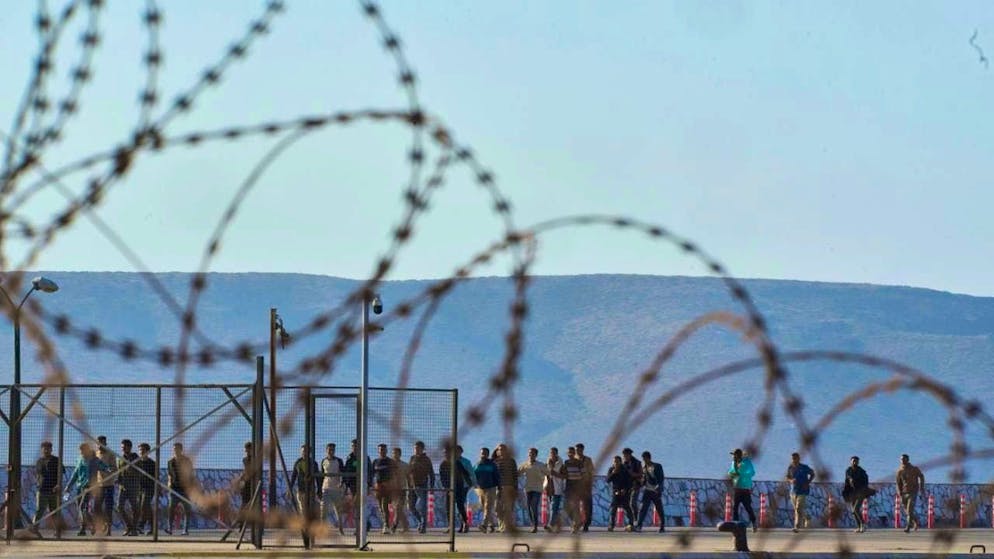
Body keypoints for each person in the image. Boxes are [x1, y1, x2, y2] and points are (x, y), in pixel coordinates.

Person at [66, 443, 108, 536]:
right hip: (79, 486)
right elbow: (75, 473)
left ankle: (92, 525)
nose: (81, 453)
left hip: (90, 486)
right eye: (80, 451)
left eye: (83, 451)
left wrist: (109, 470)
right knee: (81, 508)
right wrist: (68, 486)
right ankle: (84, 528)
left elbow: (104, 467)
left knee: (83, 507)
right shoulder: (79, 459)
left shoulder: (94, 460)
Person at [32, 441, 65, 537]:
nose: (46, 450)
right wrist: (38, 484)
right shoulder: (40, 461)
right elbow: (38, 474)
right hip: (42, 489)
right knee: (40, 510)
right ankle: (34, 528)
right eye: (44, 448)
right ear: (42, 450)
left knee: (54, 510)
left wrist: (58, 484)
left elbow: (61, 473)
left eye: (48, 448)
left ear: (51, 449)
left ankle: (57, 531)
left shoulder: (56, 460)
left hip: (54, 490)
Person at [290, 444, 321, 545]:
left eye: (306, 451)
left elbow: (317, 478)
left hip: (311, 492)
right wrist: (289, 489)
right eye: (303, 451)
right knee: (303, 513)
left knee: (311, 513)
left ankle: (312, 533)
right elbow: (294, 476)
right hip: (301, 491)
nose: (304, 453)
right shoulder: (298, 462)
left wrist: (319, 490)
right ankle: (305, 532)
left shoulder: (313, 463)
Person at [439, 444, 474, 533]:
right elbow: (442, 477)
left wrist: (470, 483)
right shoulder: (443, 464)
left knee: (460, 506)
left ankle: (465, 523)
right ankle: (451, 526)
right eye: (445, 453)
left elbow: (465, 473)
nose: (446, 454)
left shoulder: (457, 462)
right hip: (449, 488)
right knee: (448, 507)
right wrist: (446, 487)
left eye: (447, 453)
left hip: (459, 487)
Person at [518, 447, 549, 533]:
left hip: (537, 489)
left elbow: (548, 473)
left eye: (532, 453)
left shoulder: (540, 465)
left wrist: (547, 483)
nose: (530, 455)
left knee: (534, 506)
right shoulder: (525, 465)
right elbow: (518, 473)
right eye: (529, 453)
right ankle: (533, 524)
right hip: (528, 489)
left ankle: (535, 526)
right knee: (529, 507)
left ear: (536, 455)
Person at [166, 443, 194, 535]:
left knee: (187, 509)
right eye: (174, 449)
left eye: (177, 449)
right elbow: (169, 474)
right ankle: (170, 528)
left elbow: (190, 474)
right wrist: (169, 483)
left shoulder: (186, 461)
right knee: (171, 508)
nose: (175, 451)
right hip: (174, 489)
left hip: (185, 489)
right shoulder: (170, 462)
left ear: (181, 450)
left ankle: (185, 530)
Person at [409, 440, 435, 533]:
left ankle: (424, 525)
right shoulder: (412, 458)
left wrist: (431, 486)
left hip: (422, 486)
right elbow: (409, 472)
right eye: (415, 448)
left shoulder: (426, 459)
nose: (416, 450)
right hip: (412, 486)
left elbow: (431, 473)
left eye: (418, 448)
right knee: (411, 507)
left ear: (422, 449)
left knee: (422, 506)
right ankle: (420, 521)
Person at [728, 448, 757, 532]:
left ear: (738, 455)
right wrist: (731, 474)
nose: (733, 457)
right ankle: (735, 525)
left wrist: (742, 475)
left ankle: (754, 522)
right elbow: (730, 472)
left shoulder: (746, 462)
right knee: (735, 507)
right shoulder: (734, 463)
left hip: (745, 488)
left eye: (734, 455)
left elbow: (752, 472)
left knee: (747, 507)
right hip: (737, 488)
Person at [785, 452, 815, 533]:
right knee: (797, 509)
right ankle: (807, 517)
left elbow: (812, 474)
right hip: (793, 491)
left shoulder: (804, 467)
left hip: (803, 491)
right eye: (792, 458)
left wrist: (808, 482)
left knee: (798, 508)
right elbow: (787, 477)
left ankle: (796, 526)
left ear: (798, 458)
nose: (793, 460)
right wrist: (791, 480)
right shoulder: (790, 467)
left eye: (795, 458)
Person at [116, 439, 141, 536]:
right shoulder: (120, 458)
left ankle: (134, 528)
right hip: (123, 486)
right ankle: (129, 526)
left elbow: (139, 471)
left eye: (124, 447)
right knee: (119, 506)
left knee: (134, 507)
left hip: (133, 485)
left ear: (129, 447)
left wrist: (130, 468)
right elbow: (119, 471)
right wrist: (118, 479)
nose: (123, 449)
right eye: (122, 447)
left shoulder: (135, 457)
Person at [636, 450, 665, 533]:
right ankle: (639, 525)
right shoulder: (644, 468)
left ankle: (662, 526)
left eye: (645, 459)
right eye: (643, 459)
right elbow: (644, 479)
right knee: (643, 508)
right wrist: (640, 484)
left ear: (648, 458)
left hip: (656, 491)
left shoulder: (657, 466)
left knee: (659, 509)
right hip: (647, 491)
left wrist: (659, 487)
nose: (644, 461)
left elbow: (661, 478)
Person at [320, 443, 345, 535]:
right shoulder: (323, 461)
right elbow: (321, 475)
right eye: (329, 449)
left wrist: (341, 484)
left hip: (336, 489)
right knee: (323, 510)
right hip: (325, 488)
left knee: (338, 510)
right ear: (326, 450)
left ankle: (341, 529)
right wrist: (319, 489)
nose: (331, 451)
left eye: (333, 450)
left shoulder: (339, 461)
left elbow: (343, 474)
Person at [94, 435, 116, 536]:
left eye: (102, 443)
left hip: (108, 484)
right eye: (98, 443)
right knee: (97, 506)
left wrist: (107, 470)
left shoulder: (110, 454)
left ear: (105, 443)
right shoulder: (96, 454)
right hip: (99, 484)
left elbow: (114, 468)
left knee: (108, 507)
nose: (99, 445)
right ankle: (102, 523)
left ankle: (109, 527)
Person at [896, 454, 925, 533]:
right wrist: (899, 492)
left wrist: (921, 487)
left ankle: (908, 526)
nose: (902, 461)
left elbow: (921, 476)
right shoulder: (899, 471)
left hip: (913, 492)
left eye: (904, 459)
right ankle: (915, 521)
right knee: (907, 511)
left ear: (908, 460)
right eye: (901, 459)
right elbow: (898, 483)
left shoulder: (914, 469)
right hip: (904, 493)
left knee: (909, 510)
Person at [561, 446, 586, 534]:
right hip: (569, 486)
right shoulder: (566, 463)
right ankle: (576, 522)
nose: (570, 454)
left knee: (576, 506)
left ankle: (575, 525)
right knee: (566, 506)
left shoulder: (579, 463)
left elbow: (584, 475)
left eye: (572, 452)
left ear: (574, 453)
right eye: (569, 452)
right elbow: (564, 474)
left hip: (577, 486)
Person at [494, 443, 518, 532]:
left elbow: (515, 475)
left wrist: (515, 488)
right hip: (498, 487)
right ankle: (501, 525)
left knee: (507, 508)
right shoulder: (495, 462)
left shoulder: (511, 461)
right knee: (497, 508)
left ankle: (506, 526)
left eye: (503, 449)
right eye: (499, 450)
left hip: (509, 486)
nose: (501, 451)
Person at [843, 456, 871, 533]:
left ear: (858, 462)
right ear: (850, 461)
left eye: (856, 461)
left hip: (860, 493)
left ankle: (863, 524)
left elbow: (866, 482)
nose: (854, 462)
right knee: (853, 511)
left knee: (856, 509)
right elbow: (847, 481)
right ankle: (859, 527)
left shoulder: (862, 471)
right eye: (853, 461)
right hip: (852, 493)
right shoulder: (848, 470)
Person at [474, 447, 499, 533]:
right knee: (484, 507)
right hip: (480, 488)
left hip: (491, 488)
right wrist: (474, 485)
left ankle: (484, 525)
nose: (483, 454)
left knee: (488, 506)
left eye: (485, 453)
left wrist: (499, 486)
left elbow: (497, 476)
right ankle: (492, 525)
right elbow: (473, 476)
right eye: (482, 453)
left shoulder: (492, 464)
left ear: (488, 454)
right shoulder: (477, 465)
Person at [606, 456, 635, 531]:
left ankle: (630, 524)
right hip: (615, 492)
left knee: (627, 507)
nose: (615, 463)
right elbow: (607, 480)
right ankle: (611, 525)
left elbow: (629, 482)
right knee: (613, 508)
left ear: (620, 462)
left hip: (624, 492)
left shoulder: (625, 470)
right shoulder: (611, 469)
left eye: (617, 461)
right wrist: (612, 473)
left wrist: (625, 490)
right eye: (614, 461)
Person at [371, 444, 394, 534]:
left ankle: (386, 525)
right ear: (378, 451)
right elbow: (372, 474)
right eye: (380, 450)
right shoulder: (375, 461)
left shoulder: (389, 461)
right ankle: (386, 522)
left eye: (384, 450)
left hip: (387, 487)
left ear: (386, 451)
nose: (382, 451)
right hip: (378, 487)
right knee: (380, 507)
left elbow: (393, 474)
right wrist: (372, 484)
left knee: (385, 506)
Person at [135, 443, 156, 535]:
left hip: (149, 488)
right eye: (140, 450)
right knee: (146, 508)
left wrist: (158, 489)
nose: (141, 452)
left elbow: (156, 477)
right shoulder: (136, 462)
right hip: (139, 488)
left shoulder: (152, 463)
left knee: (144, 505)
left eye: (143, 450)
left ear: (147, 451)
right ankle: (152, 527)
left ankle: (141, 525)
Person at [543, 447, 565, 532]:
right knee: (553, 507)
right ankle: (555, 524)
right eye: (551, 453)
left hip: (557, 488)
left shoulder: (561, 464)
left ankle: (551, 524)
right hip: (549, 488)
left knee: (553, 507)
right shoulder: (547, 464)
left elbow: (564, 476)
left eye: (553, 453)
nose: (552, 454)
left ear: (556, 454)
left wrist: (555, 473)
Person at [390, 447, 411, 533]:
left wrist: (409, 488)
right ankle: (405, 526)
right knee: (397, 509)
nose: (395, 455)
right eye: (393, 453)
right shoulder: (389, 465)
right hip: (392, 490)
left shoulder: (404, 465)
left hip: (402, 489)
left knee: (399, 508)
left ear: (400, 454)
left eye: (396, 453)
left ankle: (394, 526)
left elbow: (409, 477)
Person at [575, 443, 594, 532]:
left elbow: (591, 473)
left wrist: (590, 485)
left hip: (586, 486)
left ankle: (586, 524)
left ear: (582, 450)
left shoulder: (588, 460)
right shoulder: (573, 460)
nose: (577, 451)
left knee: (587, 507)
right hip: (575, 486)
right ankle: (578, 523)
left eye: (579, 449)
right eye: (576, 449)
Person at [621, 448, 643, 523]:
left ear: (629, 455)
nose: (624, 457)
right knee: (626, 504)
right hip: (626, 486)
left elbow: (641, 474)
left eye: (626, 455)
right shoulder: (623, 463)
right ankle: (630, 521)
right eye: (624, 455)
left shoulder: (637, 463)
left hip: (635, 485)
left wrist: (633, 474)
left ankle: (635, 519)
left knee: (632, 503)